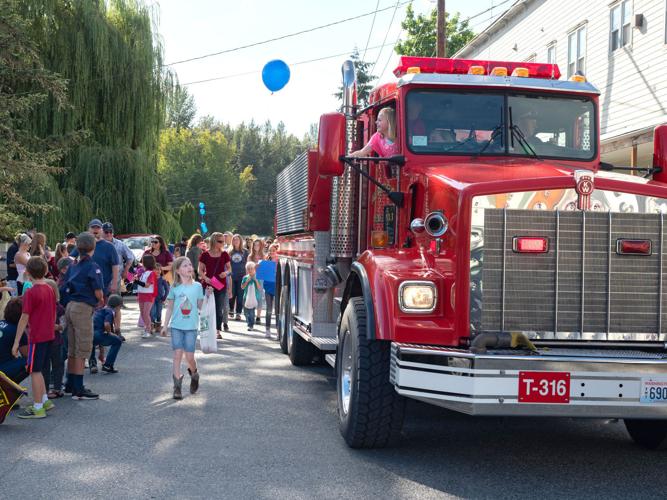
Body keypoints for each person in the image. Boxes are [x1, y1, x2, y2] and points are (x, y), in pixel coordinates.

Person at [11, 256, 56, 418]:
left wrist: (16, 342)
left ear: (28, 272)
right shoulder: (50, 288)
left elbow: (24, 317)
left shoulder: (31, 292)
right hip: (49, 334)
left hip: (37, 337)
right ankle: (44, 400)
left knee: (34, 371)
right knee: (40, 370)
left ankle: (38, 408)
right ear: (45, 270)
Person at [61, 232, 104, 400]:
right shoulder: (92, 266)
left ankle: (70, 383)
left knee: (72, 346)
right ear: (93, 247)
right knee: (82, 347)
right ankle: (79, 387)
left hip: (71, 305)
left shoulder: (73, 265)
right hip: (83, 307)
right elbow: (98, 292)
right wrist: (100, 300)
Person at [161, 256, 204, 400]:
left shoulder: (197, 286)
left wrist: (208, 296)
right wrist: (165, 325)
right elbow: (169, 308)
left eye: (190, 265)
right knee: (177, 355)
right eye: (185, 266)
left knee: (190, 357)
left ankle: (194, 374)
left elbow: (200, 306)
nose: (189, 267)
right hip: (177, 327)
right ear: (178, 270)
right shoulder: (174, 287)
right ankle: (177, 387)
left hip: (191, 327)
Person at [70, 219, 120, 296]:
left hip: (104, 286)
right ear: (88, 229)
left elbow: (115, 265)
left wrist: (114, 283)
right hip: (85, 286)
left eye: (98, 227)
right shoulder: (82, 243)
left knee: (102, 305)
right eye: (93, 227)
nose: (95, 229)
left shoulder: (109, 246)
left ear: (102, 230)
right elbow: (71, 258)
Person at [198, 232, 231, 336]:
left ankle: (217, 331)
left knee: (218, 308)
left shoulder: (225, 254)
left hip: (220, 285)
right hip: (208, 285)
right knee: (206, 308)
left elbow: (230, 268)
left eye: (223, 241)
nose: (222, 243)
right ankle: (205, 329)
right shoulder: (205, 254)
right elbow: (200, 270)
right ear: (213, 241)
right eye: (220, 241)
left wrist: (225, 273)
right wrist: (205, 278)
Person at [43, 279, 66, 399]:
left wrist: (58, 327)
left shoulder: (59, 307)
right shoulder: (41, 307)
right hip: (45, 341)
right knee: (45, 367)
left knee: (58, 365)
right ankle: (45, 390)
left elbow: (63, 323)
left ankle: (57, 388)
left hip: (56, 340)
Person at [91, 294, 124, 374]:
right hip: (98, 334)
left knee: (92, 343)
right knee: (118, 341)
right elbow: (106, 324)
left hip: (89, 333)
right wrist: (110, 333)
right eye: (120, 307)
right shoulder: (110, 311)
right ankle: (108, 365)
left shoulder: (100, 310)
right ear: (117, 306)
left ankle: (92, 364)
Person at [0, 298, 28, 385]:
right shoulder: (18, 331)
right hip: (2, 369)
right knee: (31, 362)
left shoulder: (1, 322)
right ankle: (8, 388)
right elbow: (26, 354)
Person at [102, 222, 134, 292]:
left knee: (115, 300)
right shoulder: (97, 244)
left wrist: (126, 270)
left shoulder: (120, 244)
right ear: (102, 232)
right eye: (106, 232)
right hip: (101, 279)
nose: (109, 234)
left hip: (116, 278)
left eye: (110, 232)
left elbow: (130, 257)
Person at [136, 254, 158, 339]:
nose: (141, 263)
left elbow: (147, 285)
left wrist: (137, 282)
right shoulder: (143, 273)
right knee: (142, 313)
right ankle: (147, 328)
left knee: (145, 313)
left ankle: (148, 330)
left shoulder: (151, 273)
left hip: (149, 295)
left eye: (143, 261)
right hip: (141, 295)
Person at [228, 234, 248, 322]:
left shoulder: (245, 252)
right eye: (234, 239)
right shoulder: (229, 252)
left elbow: (247, 264)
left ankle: (238, 313)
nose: (235, 241)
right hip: (231, 277)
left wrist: (247, 276)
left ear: (240, 241)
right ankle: (231, 309)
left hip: (242, 276)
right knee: (232, 294)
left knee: (240, 296)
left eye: (237, 239)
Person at [263, 243, 279, 337]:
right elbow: (262, 273)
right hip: (268, 287)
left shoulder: (279, 261)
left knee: (277, 310)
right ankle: (267, 329)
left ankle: (278, 330)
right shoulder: (266, 260)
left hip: (277, 287)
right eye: (270, 250)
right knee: (269, 309)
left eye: (273, 250)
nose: (271, 252)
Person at [241, 261, 262, 332]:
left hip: (254, 298)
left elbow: (259, 288)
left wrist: (255, 280)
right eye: (248, 269)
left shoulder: (258, 277)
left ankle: (251, 324)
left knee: (251, 312)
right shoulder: (245, 277)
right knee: (246, 311)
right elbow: (242, 287)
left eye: (251, 268)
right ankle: (248, 321)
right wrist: (247, 281)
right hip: (246, 297)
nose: (250, 270)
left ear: (254, 269)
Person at [248, 239, 265, 325]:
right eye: (255, 245)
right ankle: (251, 315)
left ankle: (258, 316)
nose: (256, 247)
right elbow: (247, 268)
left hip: (260, 279)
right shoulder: (250, 256)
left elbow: (265, 269)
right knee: (251, 296)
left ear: (261, 246)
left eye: (258, 245)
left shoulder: (264, 256)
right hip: (251, 278)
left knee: (259, 298)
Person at [150, 263, 170, 333]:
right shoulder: (151, 278)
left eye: (159, 270)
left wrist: (164, 297)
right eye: (156, 269)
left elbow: (167, 289)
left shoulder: (162, 279)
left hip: (160, 298)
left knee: (159, 312)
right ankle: (151, 325)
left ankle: (158, 325)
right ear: (153, 270)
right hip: (152, 298)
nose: (158, 271)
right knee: (152, 312)